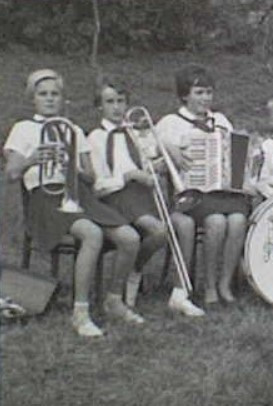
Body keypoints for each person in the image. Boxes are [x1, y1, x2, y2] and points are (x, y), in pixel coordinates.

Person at [3, 69, 144, 337]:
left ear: (62, 99)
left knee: (130, 237)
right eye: (43, 94)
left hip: (79, 195)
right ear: (33, 99)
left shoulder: (74, 130)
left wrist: (73, 167)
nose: (49, 99)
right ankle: (80, 312)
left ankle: (114, 300)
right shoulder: (23, 129)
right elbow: (11, 174)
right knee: (92, 234)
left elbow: (90, 176)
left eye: (55, 94)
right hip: (45, 199)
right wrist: (33, 159)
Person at [156, 64, 250, 308]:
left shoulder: (220, 120)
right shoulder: (171, 123)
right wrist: (170, 150)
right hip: (191, 195)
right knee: (217, 221)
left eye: (208, 92)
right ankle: (209, 286)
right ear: (184, 95)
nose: (205, 98)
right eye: (199, 92)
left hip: (223, 191)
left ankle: (224, 283)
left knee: (238, 220)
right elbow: (154, 152)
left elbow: (233, 151)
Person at [87, 78, 167, 310]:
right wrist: (128, 177)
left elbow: (147, 163)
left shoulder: (135, 133)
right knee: (159, 230)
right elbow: (97, 185)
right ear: (99, 106)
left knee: (163, 233)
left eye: (120, 101)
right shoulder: (96, 138)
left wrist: (157, 166)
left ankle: (134, 268)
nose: (116, 107)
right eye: (109, 101)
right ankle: (131, 276)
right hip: (114, 197)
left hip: (141, 196)